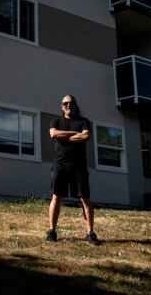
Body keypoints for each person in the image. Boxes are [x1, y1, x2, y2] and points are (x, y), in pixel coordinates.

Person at [46, 95, 100, 245]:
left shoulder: (83, 122)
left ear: (76, 105)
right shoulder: (55, 121)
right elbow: (53, 134)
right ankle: (52, 231)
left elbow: (86, 136)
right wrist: (74, 134)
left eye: (71, 103)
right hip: (60, 165)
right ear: (62, 106)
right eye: (66, 103)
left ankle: (90, 233)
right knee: (56, 197)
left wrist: (64, 137)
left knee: (85, 199)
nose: (68, 105)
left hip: (79, 166)